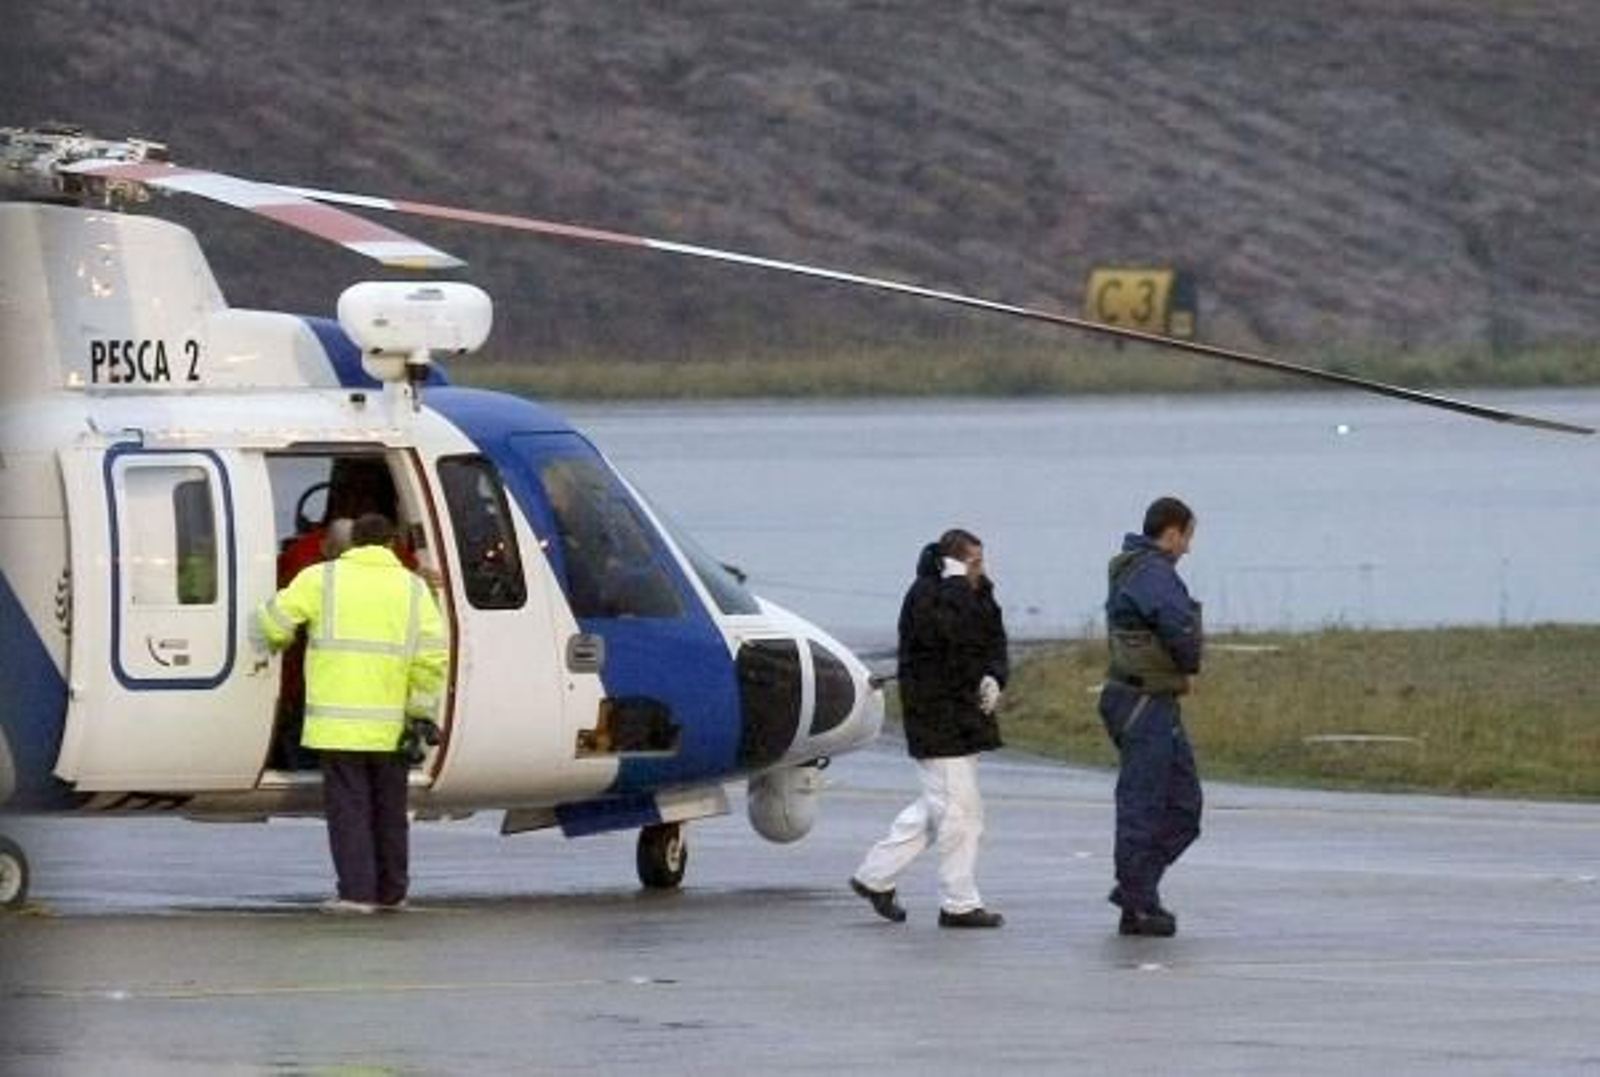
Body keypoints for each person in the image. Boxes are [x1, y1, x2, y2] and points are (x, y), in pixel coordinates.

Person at [255, 512, 449, 914]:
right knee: (390, 812)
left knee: (350, 812)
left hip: (337, 724)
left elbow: (273, 625)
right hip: (393, 726)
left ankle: (357, 894)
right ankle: (393, 891)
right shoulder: (414, 590)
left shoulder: (321, 579)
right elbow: (432, 658)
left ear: (352, 543)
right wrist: (420, 713)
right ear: (393, 543)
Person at [850, 528, 1009, 928]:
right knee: (960, 812)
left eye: (981, 561)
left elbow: (992, 641)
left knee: (937, 807)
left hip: (964, 717)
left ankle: (876, 875)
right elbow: (949, 636)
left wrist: (995, 676)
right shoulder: (926, 596)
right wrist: (956, 581)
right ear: (952, 563)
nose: (981, 569)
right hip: (937, 717)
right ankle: (959, 902)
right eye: (973, 562)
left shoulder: (978, 594)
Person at [1099, 497, 1204, 937]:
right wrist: (1189, 659)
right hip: (1143, 704)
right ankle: (1139, 903)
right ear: (1173, 532)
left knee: (1184, 806)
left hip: (1153, 699)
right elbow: (1178, 624)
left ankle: (1135, 891)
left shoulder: (1134, 565)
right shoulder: (1152, 573)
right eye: (1188, 538)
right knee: (1143, 806)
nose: (1189, 549)